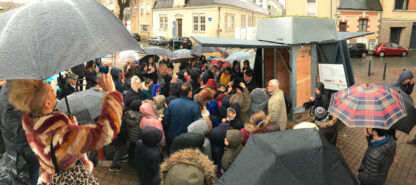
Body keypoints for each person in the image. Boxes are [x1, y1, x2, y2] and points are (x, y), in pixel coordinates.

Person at [7, 74, 123, 184]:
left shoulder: (31, 128)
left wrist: (72, 128)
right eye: (51, 90)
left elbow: (57, 152)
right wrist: (112, 94)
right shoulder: (63, 134)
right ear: (47, 104)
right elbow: (106, 132)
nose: (54, 91)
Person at [0, 83, 39, 185]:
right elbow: (21, 130)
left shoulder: (20, 89)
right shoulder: (8, 98)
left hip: (29, 153)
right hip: (22, 157)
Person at [163, 83, 202, 151]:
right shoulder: (194, 106)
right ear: (189, 92)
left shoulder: (172, 103)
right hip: (188, 140)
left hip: (172, 137)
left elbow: (166, 121)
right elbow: (197, 125)